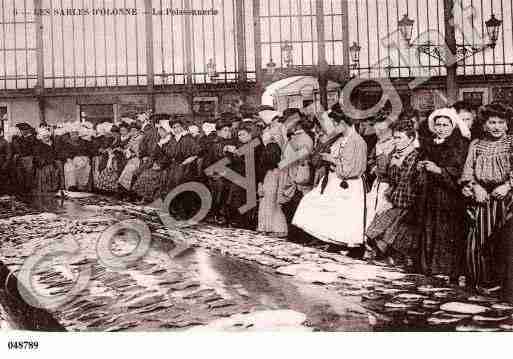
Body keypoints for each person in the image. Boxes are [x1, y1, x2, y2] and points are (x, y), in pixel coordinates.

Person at [292, 104, 367, 252]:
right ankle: (335, 242)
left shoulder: (357, 141)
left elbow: (350, 169)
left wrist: (332, 159)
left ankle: (348, 246)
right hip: (335, 179)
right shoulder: (340, 139)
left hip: (348, 184)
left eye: (334, 124)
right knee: (322, 208)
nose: (331, 128)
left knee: (345, 215)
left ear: (343, 123)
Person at [460, 102, 513, 289]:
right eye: (492, 122)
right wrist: (476, 187)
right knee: (478, 241)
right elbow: (468, 172)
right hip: (483, 199)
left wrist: (507, 186)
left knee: (504, 243)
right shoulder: (477, 145)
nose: (496, 126)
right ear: (484, 125)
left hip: (507, 199)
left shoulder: (511, 143)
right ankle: (481, 281)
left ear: (507, 124)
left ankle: (504, 284)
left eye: (500, 122)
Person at [416, 108, 470, 280]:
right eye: (438, 124)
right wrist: (421, 167)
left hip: (449, 196)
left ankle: (446, 269)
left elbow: (459, 170)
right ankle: (429, 267)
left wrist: (439, 170)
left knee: (446, 231)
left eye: (445, 125)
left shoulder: (459, 144)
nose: (441, 128)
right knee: (430, 228)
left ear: (452, 126)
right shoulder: (430, 143)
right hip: (430, 194)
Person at [365, 118, 421, 266]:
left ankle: (400, 258)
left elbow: (406, 183)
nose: (396, 141)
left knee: (393, 230)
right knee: (378, 226)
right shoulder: (396, 155)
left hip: (407, 202)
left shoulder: (413, 156)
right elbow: (390, 179)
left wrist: (391, 202)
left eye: (399, 138)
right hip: (396, 198)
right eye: (394, 137)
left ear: (411, 139)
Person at [226, 124, 264, 229]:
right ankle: (240, 221)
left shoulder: (256, 144)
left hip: (251, 175)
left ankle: (246, 222)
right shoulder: (244, 145)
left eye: (242, 134)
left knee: (246, 199)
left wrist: (235, 152)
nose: (240, 137)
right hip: (241, 175)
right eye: (239, 135)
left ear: (250, 134)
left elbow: (250, 160)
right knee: (238, 199)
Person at [132, 119, 175, 203]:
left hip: (166, 166)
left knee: (148, 176)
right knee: (140, 172)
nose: (160, 133)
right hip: (155, 163)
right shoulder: (161, 141)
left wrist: (160, 164)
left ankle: (149, 198)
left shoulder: (171, 141)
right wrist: (151, 162)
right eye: (159, 131)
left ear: (167, 131)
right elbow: (154, 154)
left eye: (162, 131)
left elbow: (170, 156)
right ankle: (144, 197)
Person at [365, 114, 395, 231]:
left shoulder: (395, 144)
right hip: (378, 183)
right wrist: (373, 167)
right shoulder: (377, 144)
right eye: (376, 130)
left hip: (389, 186)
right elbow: (371, 159)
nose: (378, 133)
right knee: (372, 210)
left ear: (390, 130)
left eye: (382, 130)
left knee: (384, 213)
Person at [258, 140, 287, 238]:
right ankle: (278, 229)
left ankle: (265, 227)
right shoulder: (280, 168)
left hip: (266, 189)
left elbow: (260, 179)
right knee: (275, 209)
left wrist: (260, 187)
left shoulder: (263, 167)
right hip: (274, 190)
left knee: (264, 208)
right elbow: (281, 183)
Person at [33, 126, 62, 196]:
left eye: (47, 136)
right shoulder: (38, 146)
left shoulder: (54, 144)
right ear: (41, 138)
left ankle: (56, 188)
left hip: (53, 163)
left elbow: (58, 154)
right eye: (44, 137)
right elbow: (36, 157)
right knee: (46, 171)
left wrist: (54, 160)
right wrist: (44, 161)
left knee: (56, 168)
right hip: (44, 165)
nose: (46, 138)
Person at [11, 123, 37, 196]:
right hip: (21, 159)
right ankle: (23, 192)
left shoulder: (32, 138)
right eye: (20, 130)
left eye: (22, 130)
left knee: (29, 176)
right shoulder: (20, 138)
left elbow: (30, 149)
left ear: (27, 130)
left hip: (28, 159)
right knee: (21, 176)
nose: (21, 132)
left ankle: (29, 192)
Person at [0, 125, 12, 196]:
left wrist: (5, 164)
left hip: (1, 164)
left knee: (2, 181)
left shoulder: (4, 142)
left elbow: (9, 154)